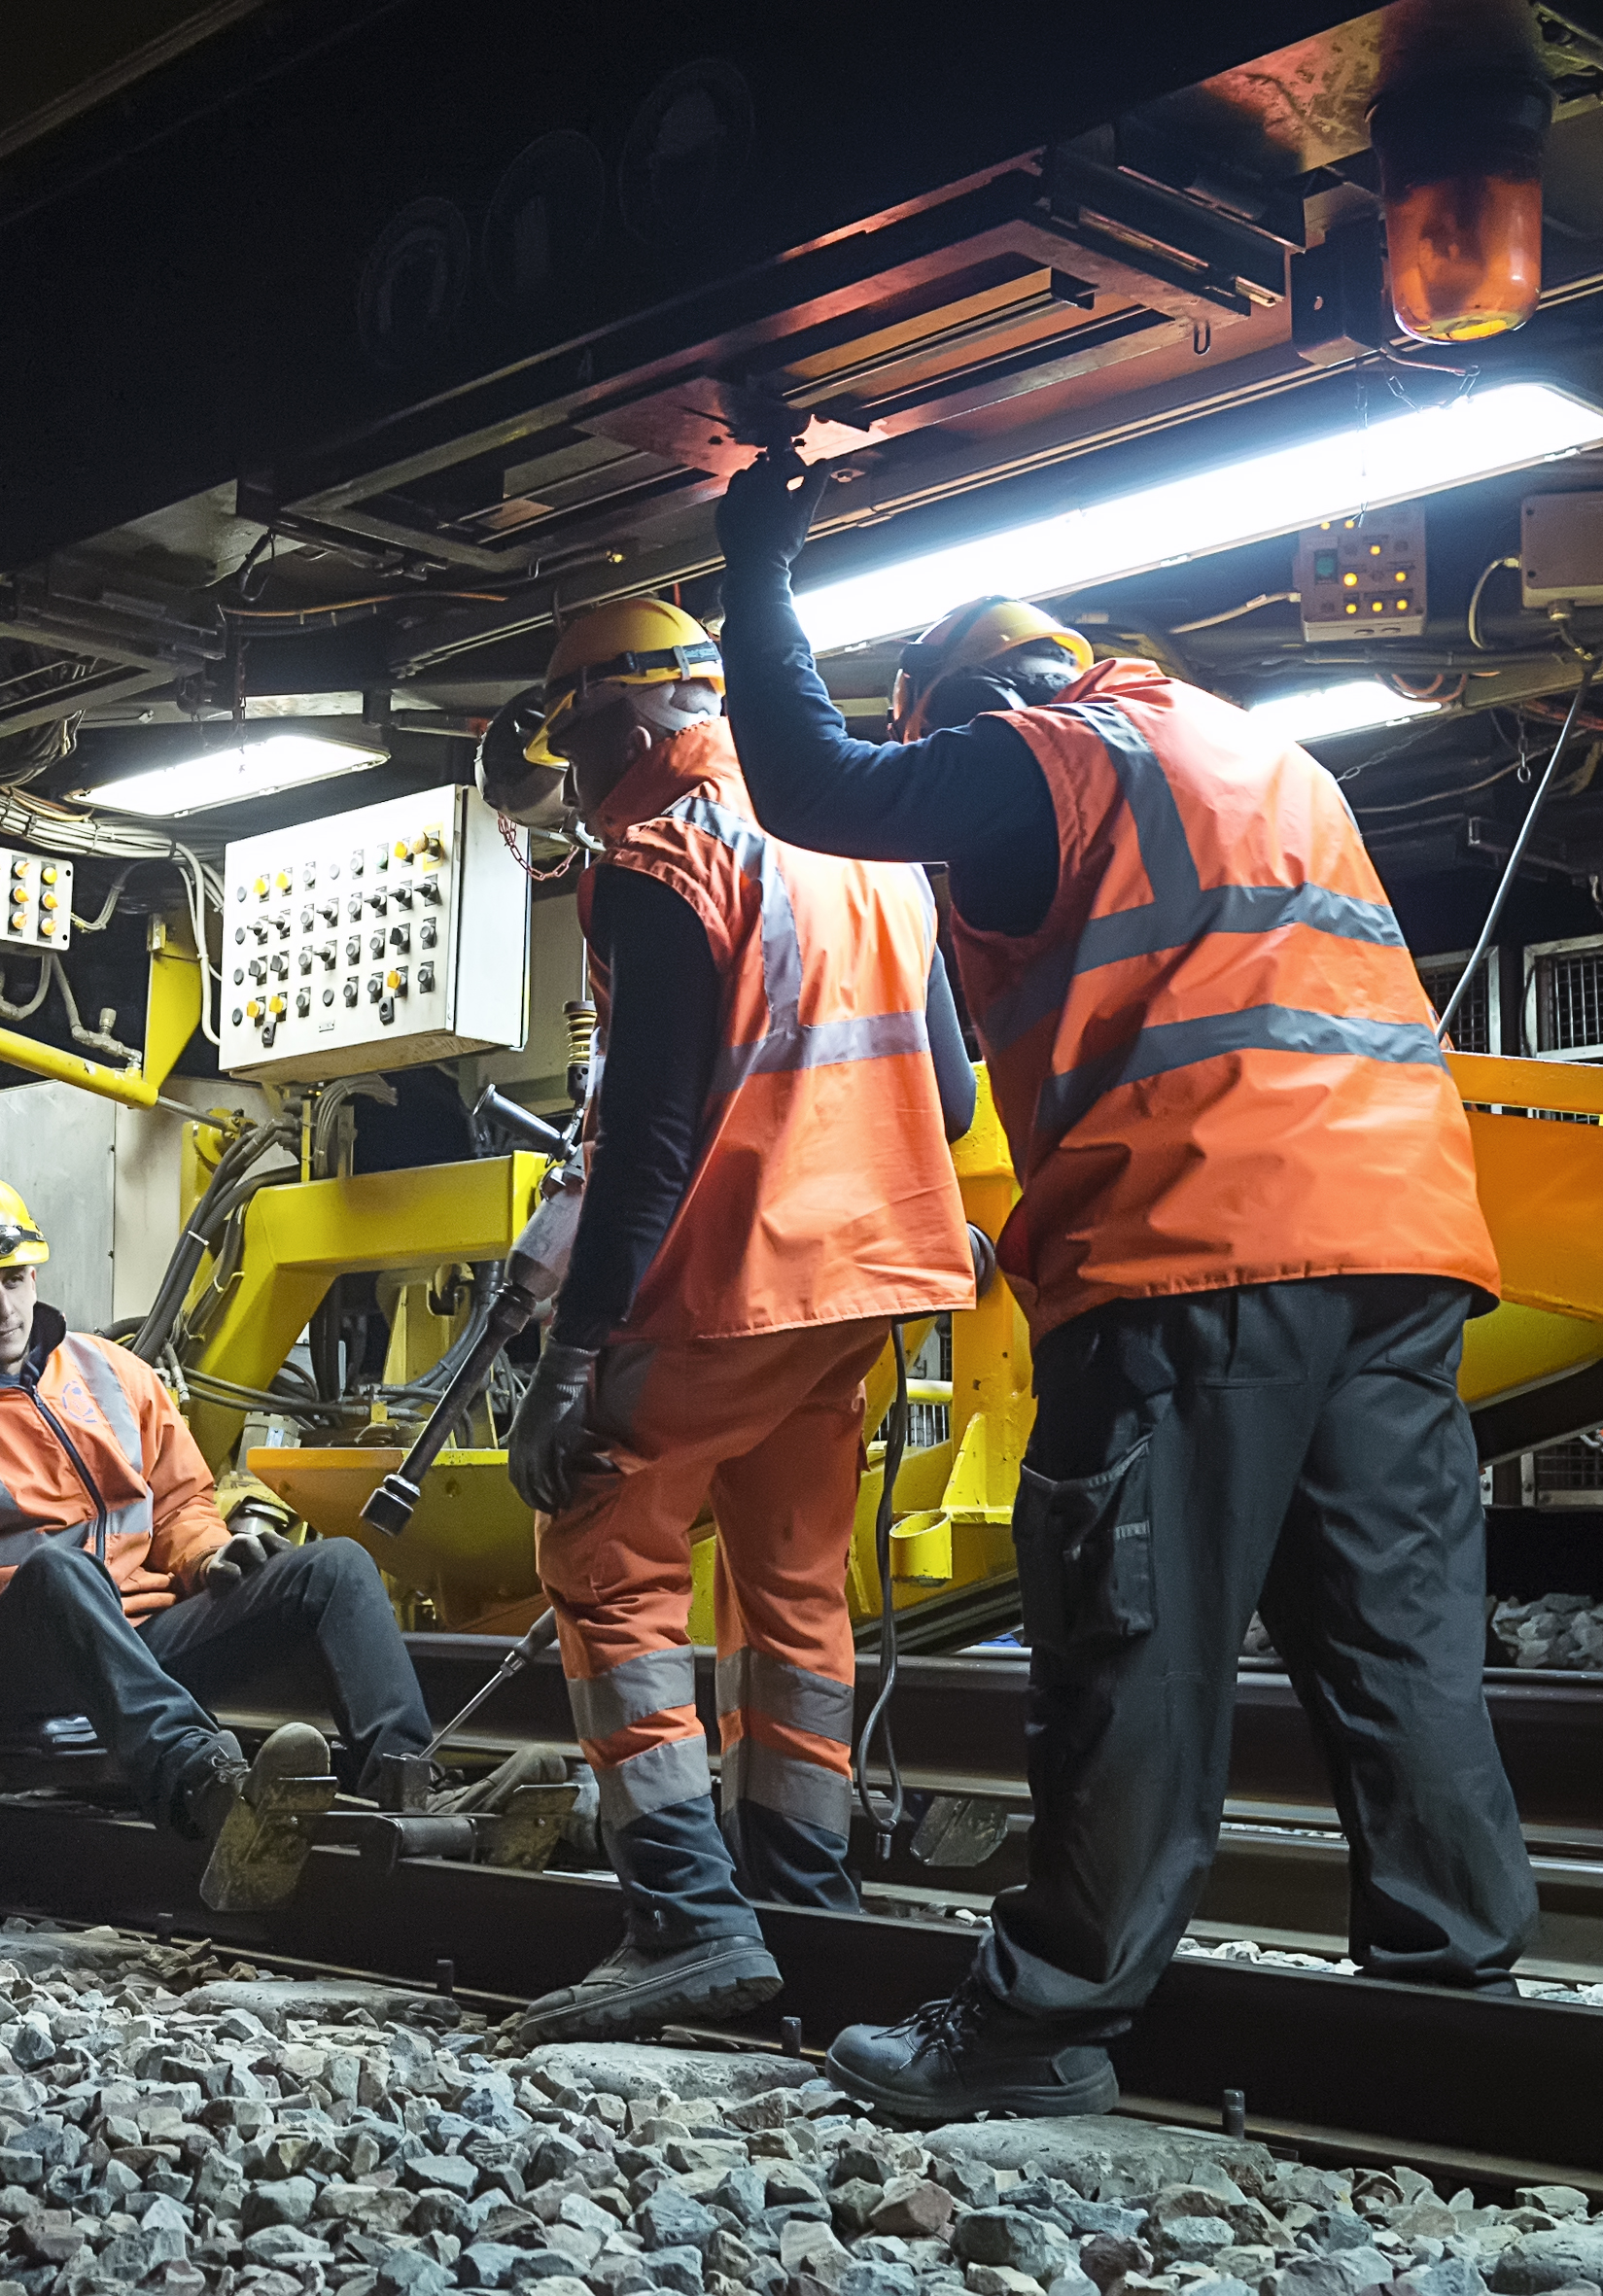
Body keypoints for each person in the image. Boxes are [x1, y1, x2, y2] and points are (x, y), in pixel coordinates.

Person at [710, 449, 1537, 2117]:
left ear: (980, 702)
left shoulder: (1047, 758)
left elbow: (809, 785)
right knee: (1395, 1644)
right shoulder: (1263, 755)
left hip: (1192, 1248)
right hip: (1396, 1250)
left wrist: (755, 570)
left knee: (1128, 1632)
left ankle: (1038, 2023)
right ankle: (1455, 2016)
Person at [479, 599, 980, 2043]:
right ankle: (802, 1902)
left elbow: (642, 1134)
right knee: (790, 1581)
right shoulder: (854, 836)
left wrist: (569, 1360)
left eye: (573, 749)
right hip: (871, 1274)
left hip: (738, 1270)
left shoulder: (659, 851)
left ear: (617, 725)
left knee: (598, 1536)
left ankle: (685, 1918)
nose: (574, 787)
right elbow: (944, 1098)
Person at [0, 1165, 436, 1909]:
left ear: (34, 1271)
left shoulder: (115, 1375)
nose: (0, 1305)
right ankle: (206, 1789)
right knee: (60, 1572)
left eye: (11, 1277)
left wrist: (207, 1554)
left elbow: (179, 1501)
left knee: (334, 1564)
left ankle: (405, 1780)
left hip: (130, 1644)